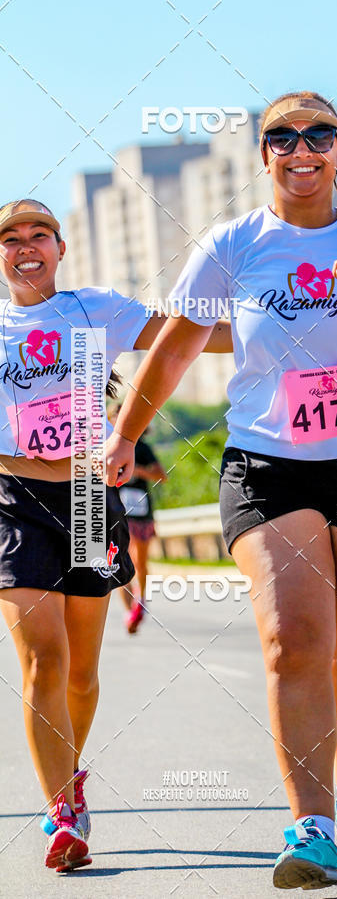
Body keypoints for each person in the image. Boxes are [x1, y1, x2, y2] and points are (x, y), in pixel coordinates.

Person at [105, 91, 337, 891]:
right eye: (282, 136)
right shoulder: (232, 245)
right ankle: (312, 829)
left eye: (320, 134)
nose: (303, 147)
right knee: (295, 640)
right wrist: (125, 435)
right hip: (268, 464)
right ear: (263, 155)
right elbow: (174, 349)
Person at [0, 199, 231, 872]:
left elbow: (183, 332)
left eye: (38, 234)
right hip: (12, 497)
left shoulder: (92, 309)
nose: (25, 246)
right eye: (10, 239)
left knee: (79, 668)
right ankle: (61, 814)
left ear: (61, 247)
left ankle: (69, 771)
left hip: (83, 496)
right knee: (41, 659)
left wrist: (287, 325)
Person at [114, 414, 168, 634]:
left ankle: (141, 602)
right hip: (117, 512)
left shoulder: (142, 448)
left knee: (140, 562)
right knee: (119, 561)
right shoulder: (106, 446)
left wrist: (136, 471)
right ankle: (130, 612)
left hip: (141, 512)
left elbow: (162, 475)